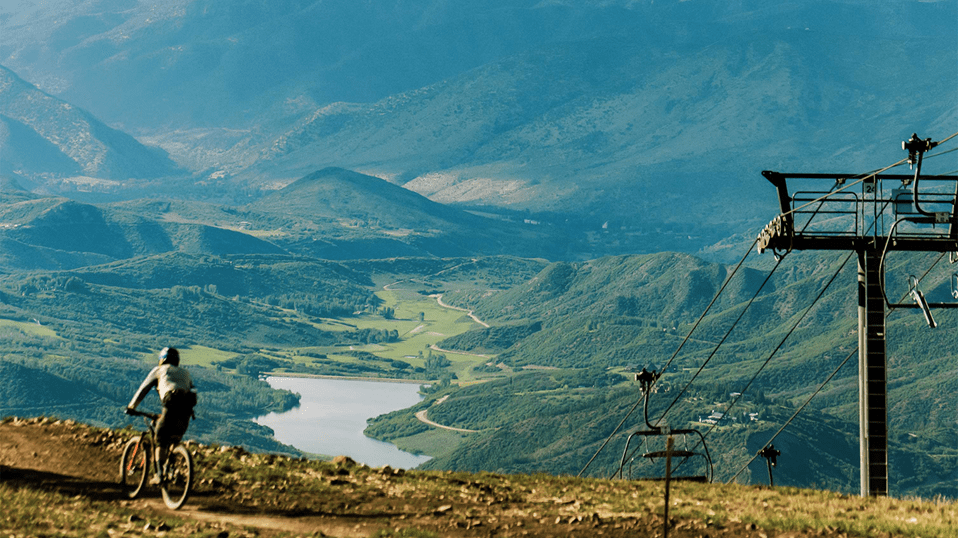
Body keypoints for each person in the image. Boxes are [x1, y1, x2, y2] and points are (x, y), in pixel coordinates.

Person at [127, 347, 197, 480]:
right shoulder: (186, 373)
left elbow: (143, 389)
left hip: (171, 406)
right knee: (174, 437)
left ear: (162, 359)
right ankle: (171, 468)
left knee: (160, 440)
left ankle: (159, 474)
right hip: (186, 411)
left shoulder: (159, 370)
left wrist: (132, 407)